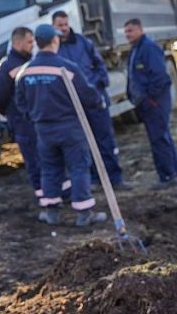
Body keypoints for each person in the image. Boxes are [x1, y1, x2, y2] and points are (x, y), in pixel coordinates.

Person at [16, 24, 108, 227]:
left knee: (49, 169)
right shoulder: (66, 68)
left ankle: (51, 213)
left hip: (43, 130)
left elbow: (20, 102)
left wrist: (34, 116)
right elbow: (88, 95)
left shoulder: (25, 71)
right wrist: (99, 102)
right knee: (78, 167)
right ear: (54, 41)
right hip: (69, 127)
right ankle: (84, 214)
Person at [53, 11, 131, 190]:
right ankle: (95, 180)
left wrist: (95, 87)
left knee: (105, 140)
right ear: (53, 26)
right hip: (72, 104)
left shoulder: (83, 43)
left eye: (66, 24)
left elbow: (100, 67)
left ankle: (115, 178)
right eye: (60, 25)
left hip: (95, 101)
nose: (64, 29)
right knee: (83, 144)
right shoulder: (54, 48)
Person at [124, 18, 177, 188]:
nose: (128, 34)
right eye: (126, 31)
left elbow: (160, 78)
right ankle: (174, 174)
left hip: (155, 104)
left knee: (160, 140)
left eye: (131, 31)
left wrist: (149, 99)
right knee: (161, 138)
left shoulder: (149, 48)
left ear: (140, 30)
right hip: (148, 104)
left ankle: (168, 177)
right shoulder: (136, 49)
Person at [0, 27, 43, 200]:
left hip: (36, 119)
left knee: (45, 157)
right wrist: (12, 115)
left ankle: (55, 193)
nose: (32, 45)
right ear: (18, 42)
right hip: (21, 121)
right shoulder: (6, 67)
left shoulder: (32, 61)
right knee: (33, 159)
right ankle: (43, 195)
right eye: (29, 42)